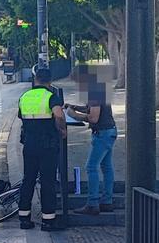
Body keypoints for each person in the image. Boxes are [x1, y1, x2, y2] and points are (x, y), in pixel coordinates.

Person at [17, 67, 67, 231]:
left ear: (35, 80)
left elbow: (21, 117)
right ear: (50, 82)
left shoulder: (24, 97)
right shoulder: (51, 97)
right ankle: (48, 220)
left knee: (28, 180)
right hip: (47, 145)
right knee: (47, 181)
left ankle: (24, 218)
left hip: (29, 144)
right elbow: (59, 115)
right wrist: (62, 130)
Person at [67, 84, 117, 216]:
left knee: (91, 167)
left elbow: (93, 117)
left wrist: (74, 114)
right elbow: (92, 109)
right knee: (106, 167)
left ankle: (92, 204)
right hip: (109, 131)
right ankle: (107, 201)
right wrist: (76, 107)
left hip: (102, 133)